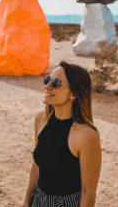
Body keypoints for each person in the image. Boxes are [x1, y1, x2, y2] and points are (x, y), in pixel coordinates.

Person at [23, 61, 102, 207]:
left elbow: (88, 192)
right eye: (48, 80)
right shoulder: (41, 120)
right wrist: (28, 200)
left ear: (73, 94)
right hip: (38, 200)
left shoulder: (86, 136)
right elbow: (37, 164)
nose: (47, 86)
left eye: (56, 83)